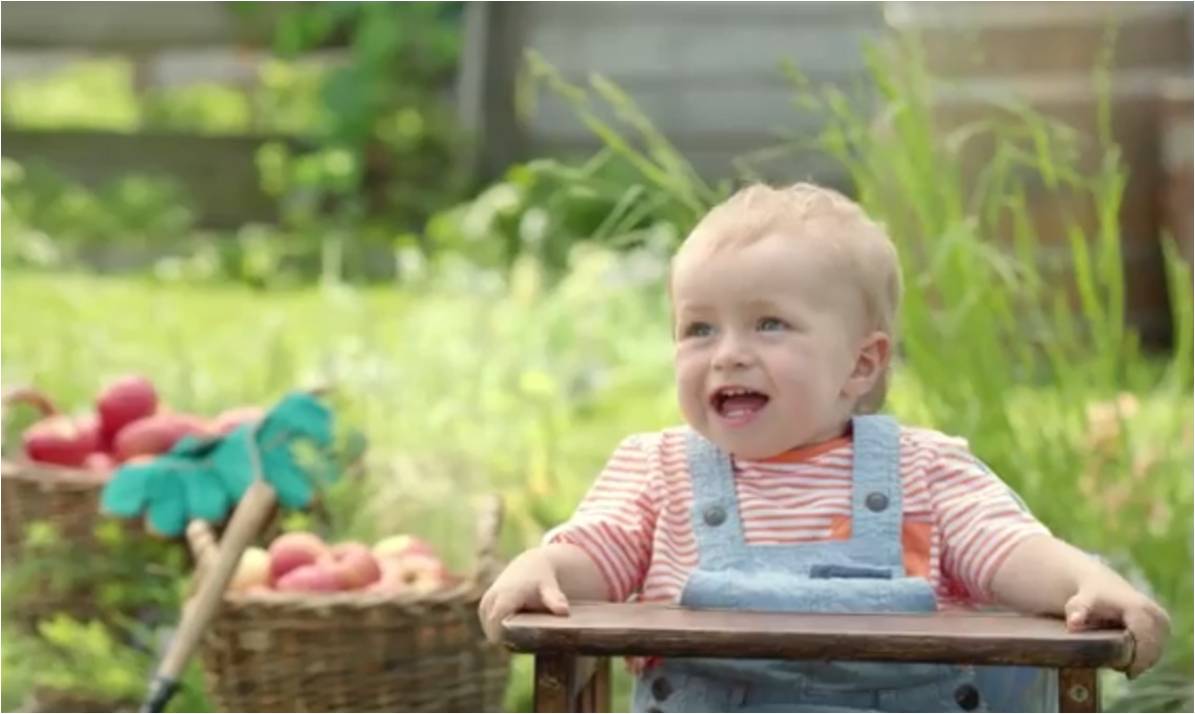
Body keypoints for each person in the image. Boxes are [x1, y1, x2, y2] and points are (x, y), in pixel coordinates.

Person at [478, 182, 1169, 712]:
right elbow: (594, 553)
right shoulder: (658, 472)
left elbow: (1008, 550)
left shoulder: (923, 470)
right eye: (699, 329)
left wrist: (1084, 582)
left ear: (860, 365)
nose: (727, 354)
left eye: (769, 324)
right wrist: (545, 566)